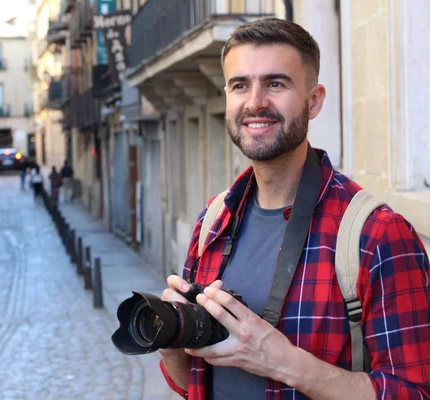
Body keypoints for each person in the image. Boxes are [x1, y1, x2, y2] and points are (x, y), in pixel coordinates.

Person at [158, 18, 430, 400]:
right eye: (240, 85)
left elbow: (415, 392)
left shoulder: (377, 235)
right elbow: (194, 383)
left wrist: (283, 361)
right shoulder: (212, 221)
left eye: (275, 83)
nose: (255, 102)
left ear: (314, 100)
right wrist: (172, 343)